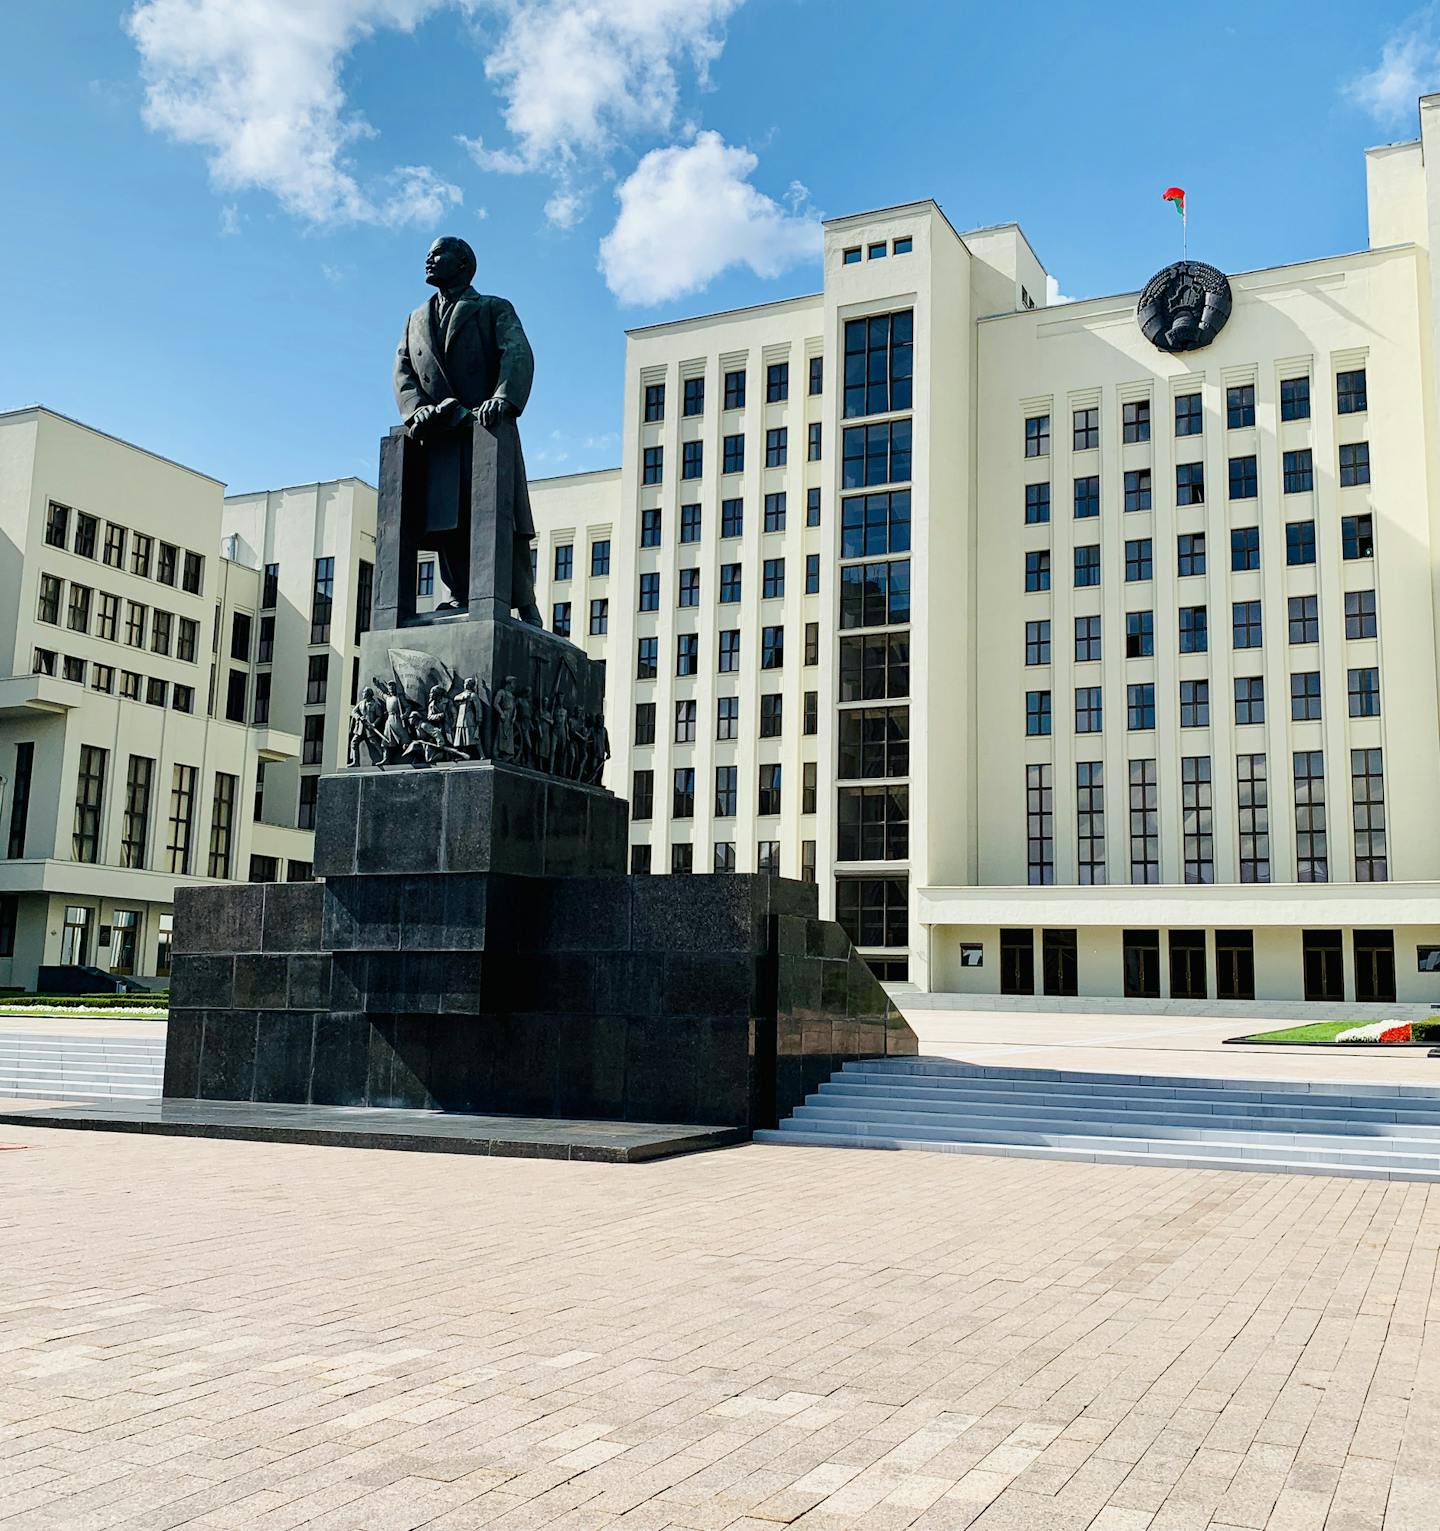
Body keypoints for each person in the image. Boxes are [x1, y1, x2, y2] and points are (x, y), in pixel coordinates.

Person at [393, 235, 542, 624]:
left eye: (438, 253)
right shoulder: (415, 318)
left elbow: (517, 352)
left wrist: (503, 398)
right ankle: (459, 593)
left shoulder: (492, 308)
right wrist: (416, 410)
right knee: (448, 519)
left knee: (502, 520)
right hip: (440, 431)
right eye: (427, 253)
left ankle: (524, 601)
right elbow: (404, 369)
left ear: (463, 264)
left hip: (484, 426)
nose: (429, 258)